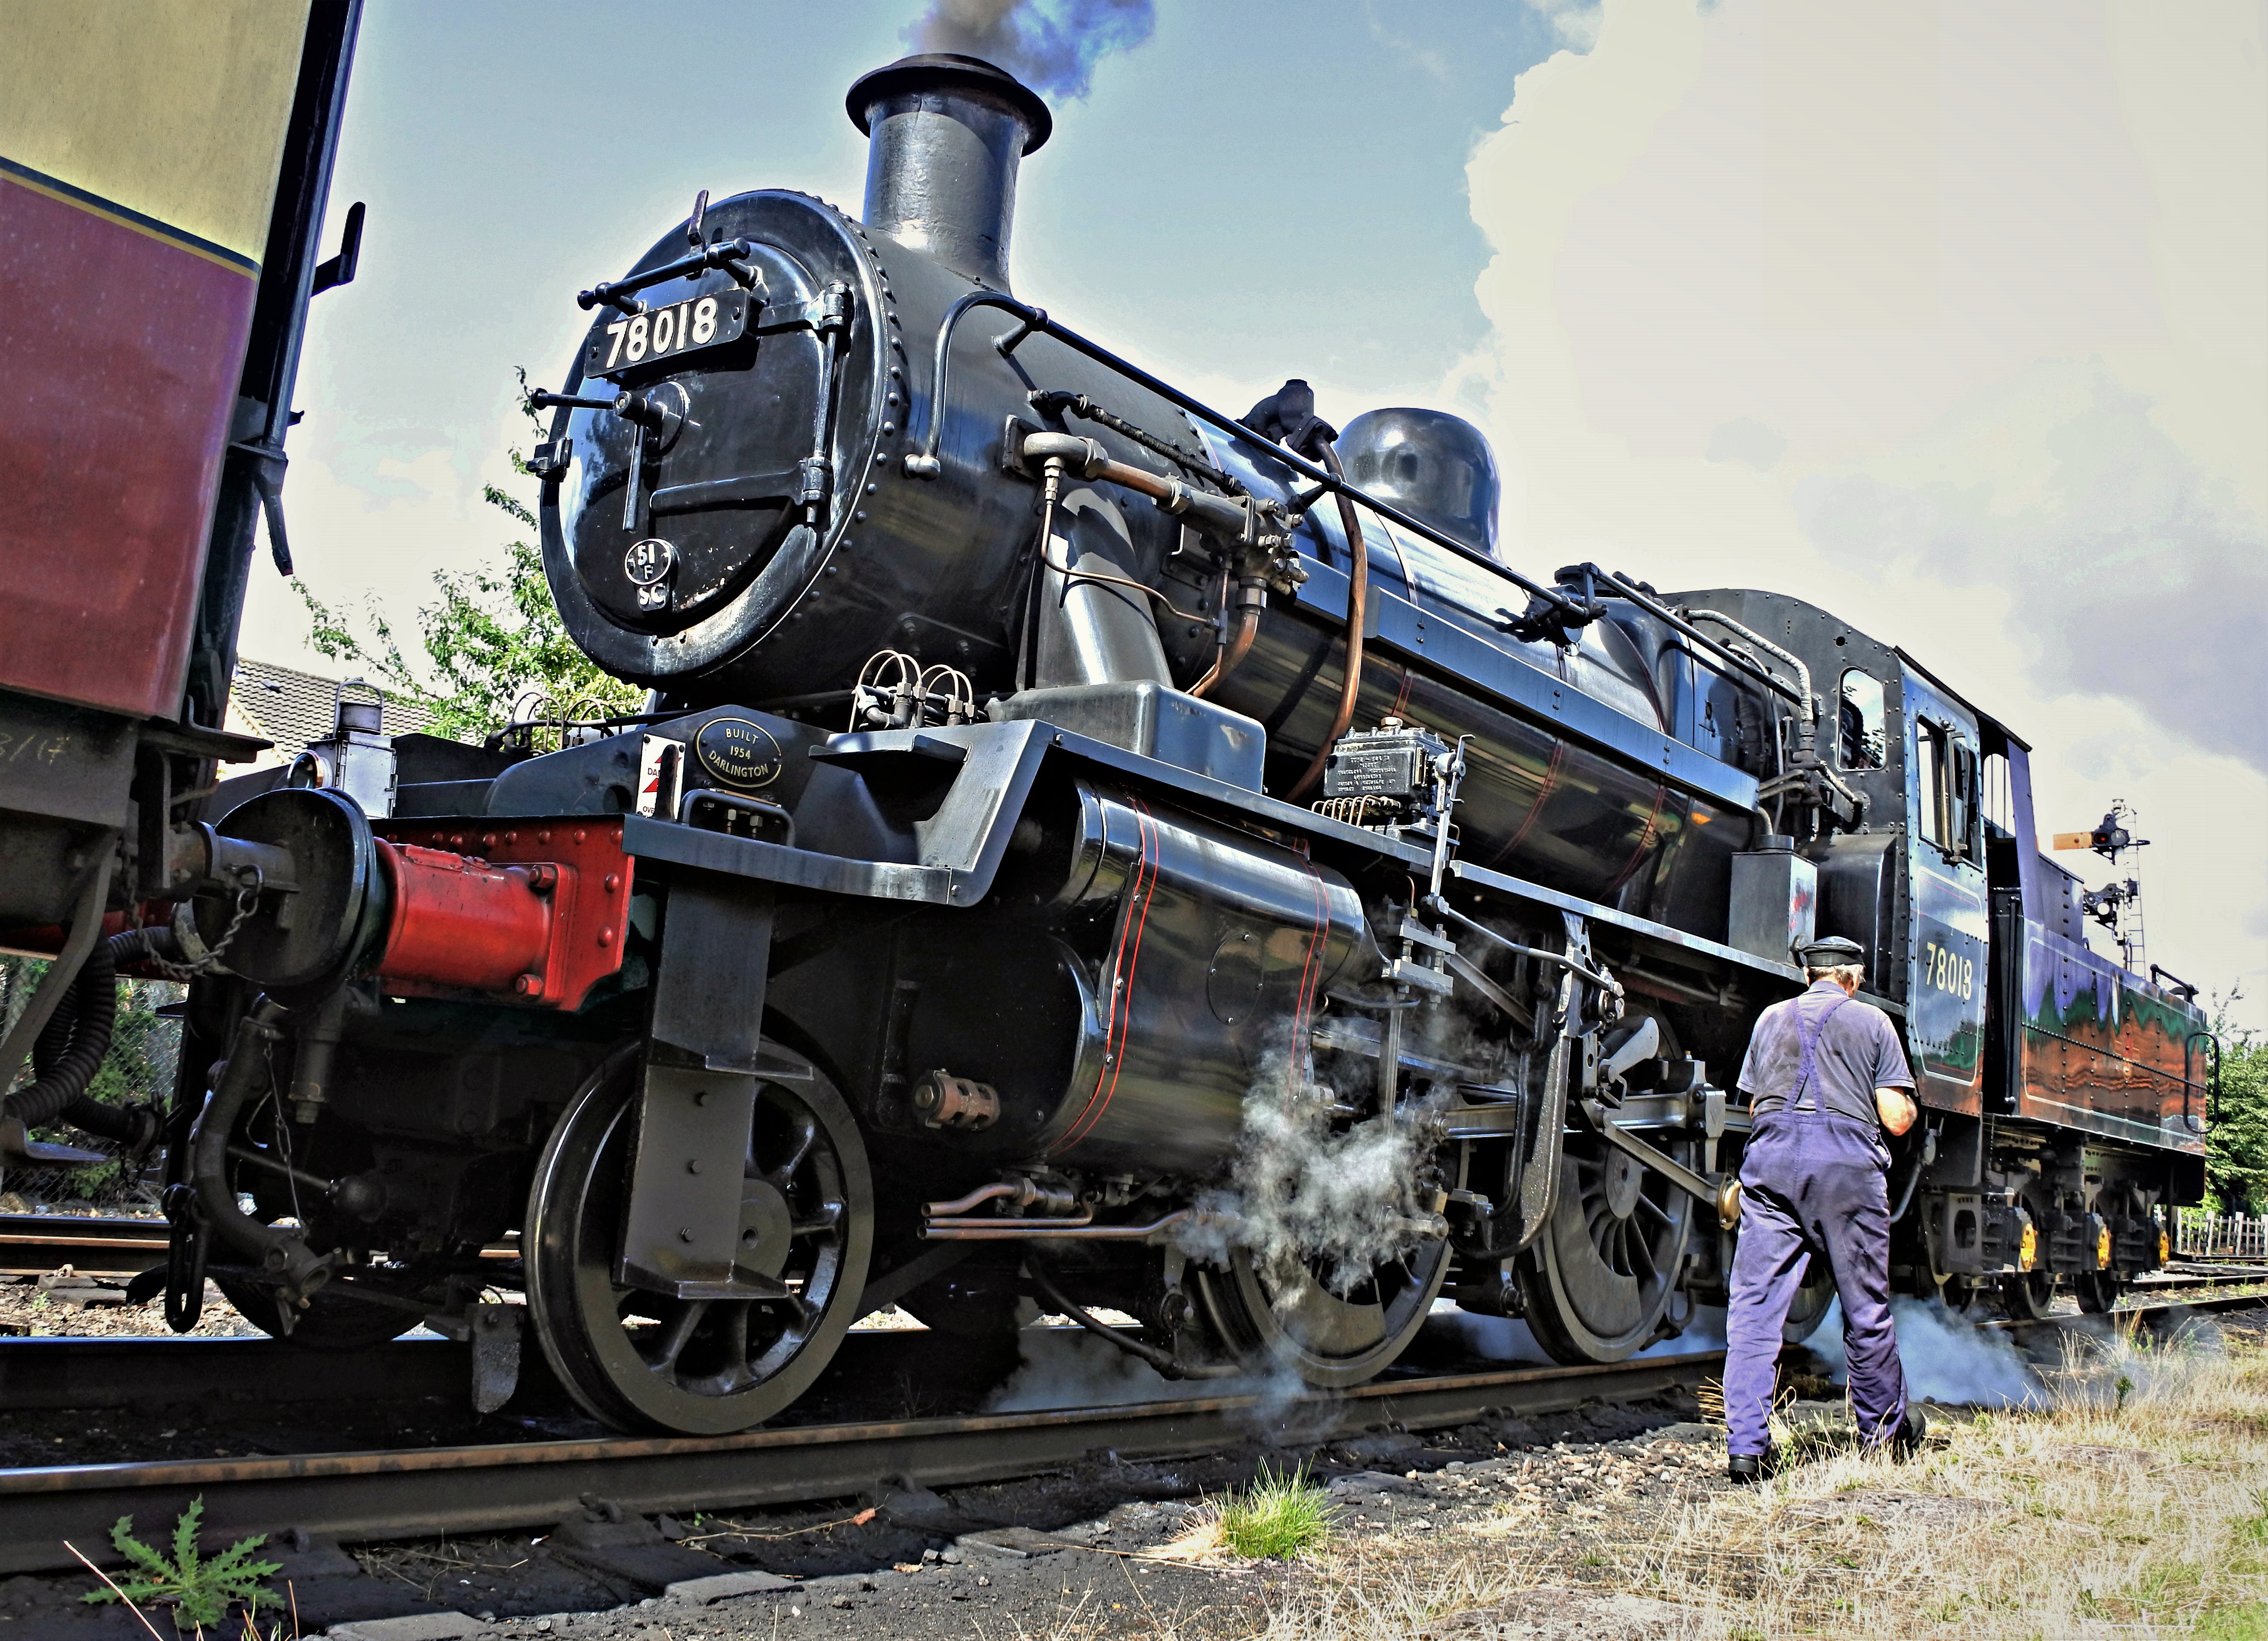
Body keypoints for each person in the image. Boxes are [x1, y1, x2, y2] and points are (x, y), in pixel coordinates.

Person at [1722, 934, 1925, 1482]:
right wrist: (1904, 1096)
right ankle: (1882, 1435)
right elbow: (1896, 1118)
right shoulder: (1873, 1023)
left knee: (1754, 1314)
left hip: (1770, 1167)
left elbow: (1755, 1102)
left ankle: (1746, 1450)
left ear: (1808, 975)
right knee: (1865, 1310)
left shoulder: (1768, 1020)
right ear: (1852, 978)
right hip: (1844, 1173)